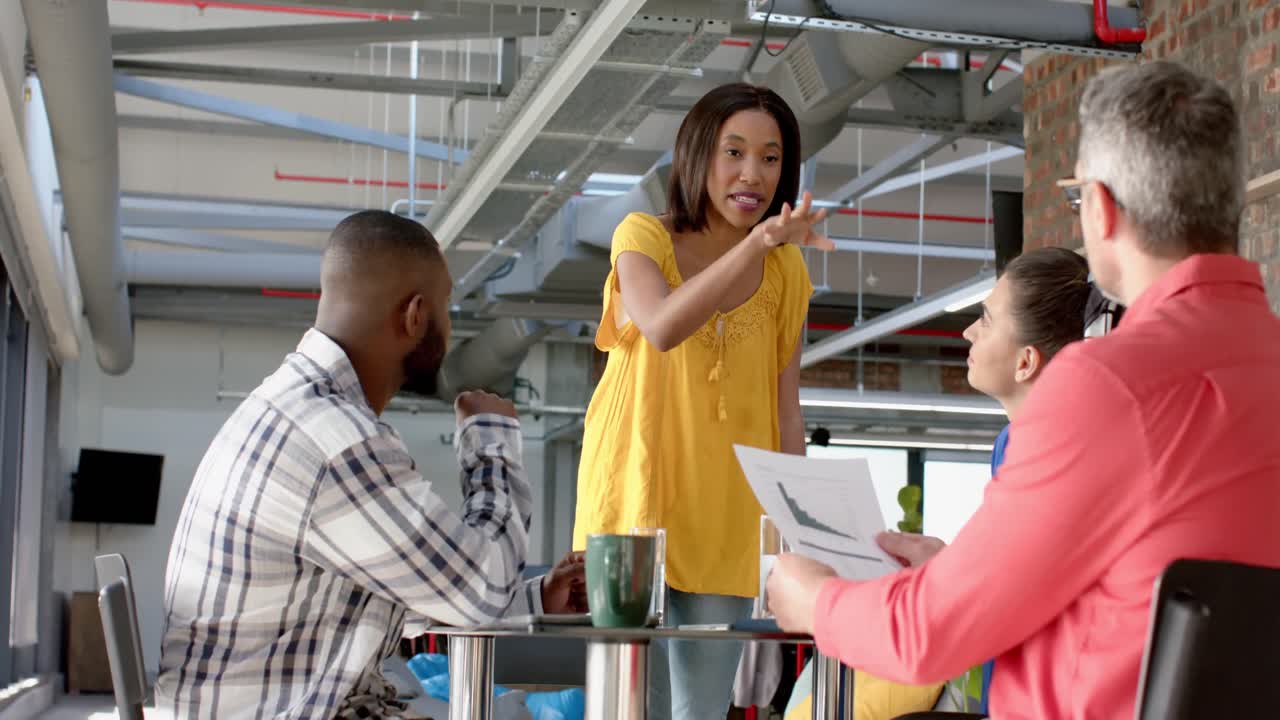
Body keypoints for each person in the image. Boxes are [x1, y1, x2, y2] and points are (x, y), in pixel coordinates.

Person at [768, 60, 1280, 720]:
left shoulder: (1106, 386)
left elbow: (926, 635)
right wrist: (956, 566)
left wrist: (814, 599)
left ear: (1099, 209)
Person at [157, 211, 585, 720]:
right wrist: (491, 444)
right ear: (415, 315)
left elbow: (408, 598)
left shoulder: (299, 411)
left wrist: (536, 598)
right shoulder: (332, 440)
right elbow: (480, 595)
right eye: (446, 308)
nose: (449, 327)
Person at [571, 83, 831, 719]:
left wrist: (797, 531)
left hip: (728, 515)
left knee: (701, 710)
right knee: (630, 708)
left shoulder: (787, 271)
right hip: (632, 506)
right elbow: (660, 327)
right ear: (696, 155)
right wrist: (758, 244)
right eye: (734, 152)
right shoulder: (641, 237)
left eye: (771, 158)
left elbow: (786, 408)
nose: (753, 174)